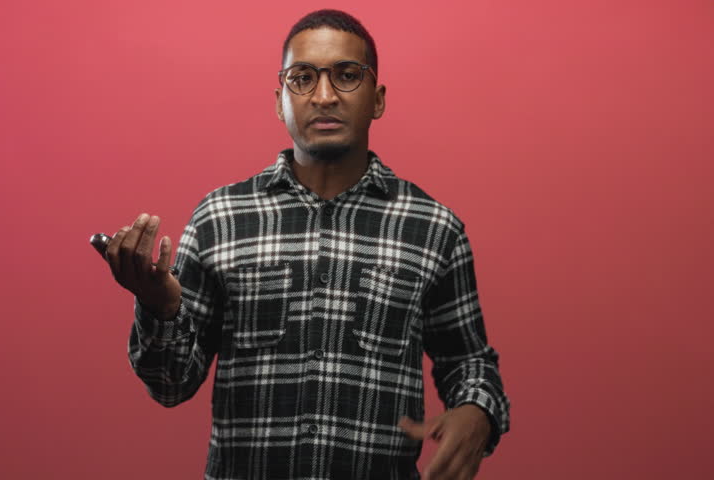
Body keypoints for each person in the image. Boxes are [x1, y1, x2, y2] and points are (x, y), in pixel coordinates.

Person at [103, 9, 510, 480]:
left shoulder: (434, 228)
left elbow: (469, 362)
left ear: (377, 99)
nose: (324, 95)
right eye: (302, 78)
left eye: (346, 75)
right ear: (279, 102)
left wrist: (478, 410)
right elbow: (170, 384)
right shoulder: (221, 219)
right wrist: (159, 307)